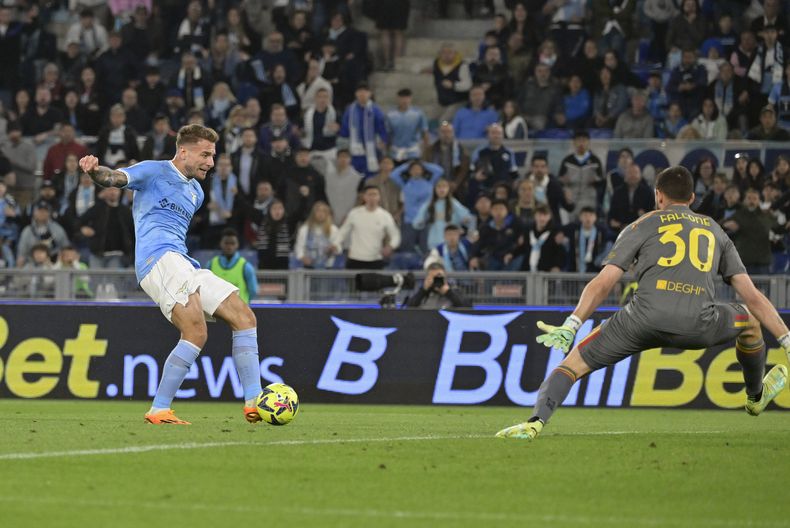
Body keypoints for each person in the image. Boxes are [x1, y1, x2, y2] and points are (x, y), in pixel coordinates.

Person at [496, 166, 790, 441]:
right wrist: (786, 339)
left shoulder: (644, 223)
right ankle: (755, 396)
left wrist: (573, 323)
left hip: (640, 322)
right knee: (750, 322)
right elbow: (751, 295)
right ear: (692, 198)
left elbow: (604, 282)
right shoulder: (715, 230)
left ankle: (535, 422)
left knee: (570, 366)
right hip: (699, 323)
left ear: (658, 195)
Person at [78, 124, 264, 426]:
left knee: (244, 316)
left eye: (212, 156)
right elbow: (114, 178)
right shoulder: (153, 171)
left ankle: (255, 402)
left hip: (183, 261)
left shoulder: (197, 192)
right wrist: (95, 171)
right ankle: (159, 409)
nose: (211, 163)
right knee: (196, 331)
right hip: (158, 260)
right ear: (183, 152)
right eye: (205, 155)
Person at [333, 185, 400, 270]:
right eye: (370, 194)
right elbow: (343, 232)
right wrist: (335, 244)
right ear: (364, 197)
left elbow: (395, 235)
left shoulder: (385, 216)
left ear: (379, 197)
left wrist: (390, 246)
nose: (372, 197)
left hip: (375, 259)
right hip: (355, 259)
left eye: (375, 194)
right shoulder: (354, 213)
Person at [207, 228, 257, 304]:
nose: (229, 246)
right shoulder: (211, 265)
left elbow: (253, 291)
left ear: (237, 244)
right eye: (226, 243)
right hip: (216, 313)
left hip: (239, 312)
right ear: (221, 243)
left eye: (232, 243)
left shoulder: (246, 267)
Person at [387, 88, 429, 163]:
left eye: (407, 98)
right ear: (398, 98)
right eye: (402, 98)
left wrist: (425, 152)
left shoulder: (418, 113)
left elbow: (425, 133)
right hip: (396, 152)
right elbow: (388, 134)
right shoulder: (390, 114)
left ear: (411, 98)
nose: (405, 100)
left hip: (413, 152)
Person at [405, 261, 471, 309]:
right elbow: (409, 308)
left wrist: (449, 293)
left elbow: (467, 308)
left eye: (438, 277)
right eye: (433, 277)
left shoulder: (455, 290)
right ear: (427, 278)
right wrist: (423, 290)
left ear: (445, 276)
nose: (436, 280)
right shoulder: (423, 291)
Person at [294, 201, 340, 269]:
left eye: (323, 211)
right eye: (318, 211)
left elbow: (339, 248)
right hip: (309, 267)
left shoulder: (333, 229)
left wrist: (333, 249)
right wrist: (303, 258)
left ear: (327, 214)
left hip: (328, 268)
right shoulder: (304, 229)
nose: (320, 214)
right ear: (313, 214)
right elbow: (298, 248)